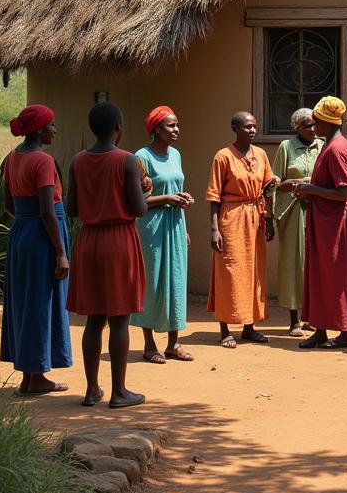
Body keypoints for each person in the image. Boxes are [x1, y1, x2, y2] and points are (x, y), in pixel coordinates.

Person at [66, 101, 148, 409]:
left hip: (88, 241)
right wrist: (142, 188)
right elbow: (138, 208)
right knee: (119, 321)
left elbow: (72, 209)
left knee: (94, 320)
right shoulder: (126, 161)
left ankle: (91, 390)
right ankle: (119, 392)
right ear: (118, 127)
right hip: (119, 241)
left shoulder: (78, 160)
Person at [0, 104, 72, 395]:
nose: (55, 130)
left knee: (25, 303)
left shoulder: (11, 158)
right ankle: (37, 375)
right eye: (51, 125)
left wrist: (25, 225)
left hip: (21, 236)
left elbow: (8, 204)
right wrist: (60, 252)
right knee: (42, 304)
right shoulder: (43, 161)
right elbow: (47, 211)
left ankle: (30, 375)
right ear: (40, 130)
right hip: (43, 237)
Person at [292, 96, 347, 349]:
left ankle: (344, 333)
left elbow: (343, 192)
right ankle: (320, 329)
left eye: (316, 121)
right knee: (321, 274)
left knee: (335, 276)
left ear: (326, 121)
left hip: (334, 224)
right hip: (324, 222)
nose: (314, 125)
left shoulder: (336, 148)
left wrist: (310, 188)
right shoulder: (329, 144)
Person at [207, 111, 277, 348]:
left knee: (254, 272)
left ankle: (249, 326)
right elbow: (214, 195)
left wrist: (268, 218)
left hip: (255, 218)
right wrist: (214, 229)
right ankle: (225, 327)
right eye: (247, 127)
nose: (253, 131)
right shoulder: (223, 157)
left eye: (255, 126)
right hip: (231, 218)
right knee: (229, 271)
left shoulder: (261, 154)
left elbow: (267, 188)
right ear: (235, 128)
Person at [133, 105, 194, 364]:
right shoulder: (141, 157)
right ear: (156, 129)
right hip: (152, 226)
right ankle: (149, 344)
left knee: (176, 282)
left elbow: (177, 188)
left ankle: (173, 343)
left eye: (177, 124)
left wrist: (185, 219)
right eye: (171, 125)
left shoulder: (176, 155)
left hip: (175, 224)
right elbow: (137, 200)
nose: (176, 129)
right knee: (154, 282)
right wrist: (168, 198)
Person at [271, 108, 322, 336]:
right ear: (297, 127)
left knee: (315, 262)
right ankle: (294, 319)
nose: (312, 129)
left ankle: (312, 316)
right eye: (307, 125)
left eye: (314, 125)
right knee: (293, 262)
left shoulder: (322, 146)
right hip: (293, 211)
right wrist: (294, 183)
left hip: (317, 210)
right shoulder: (286, 147)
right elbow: (274, 183)